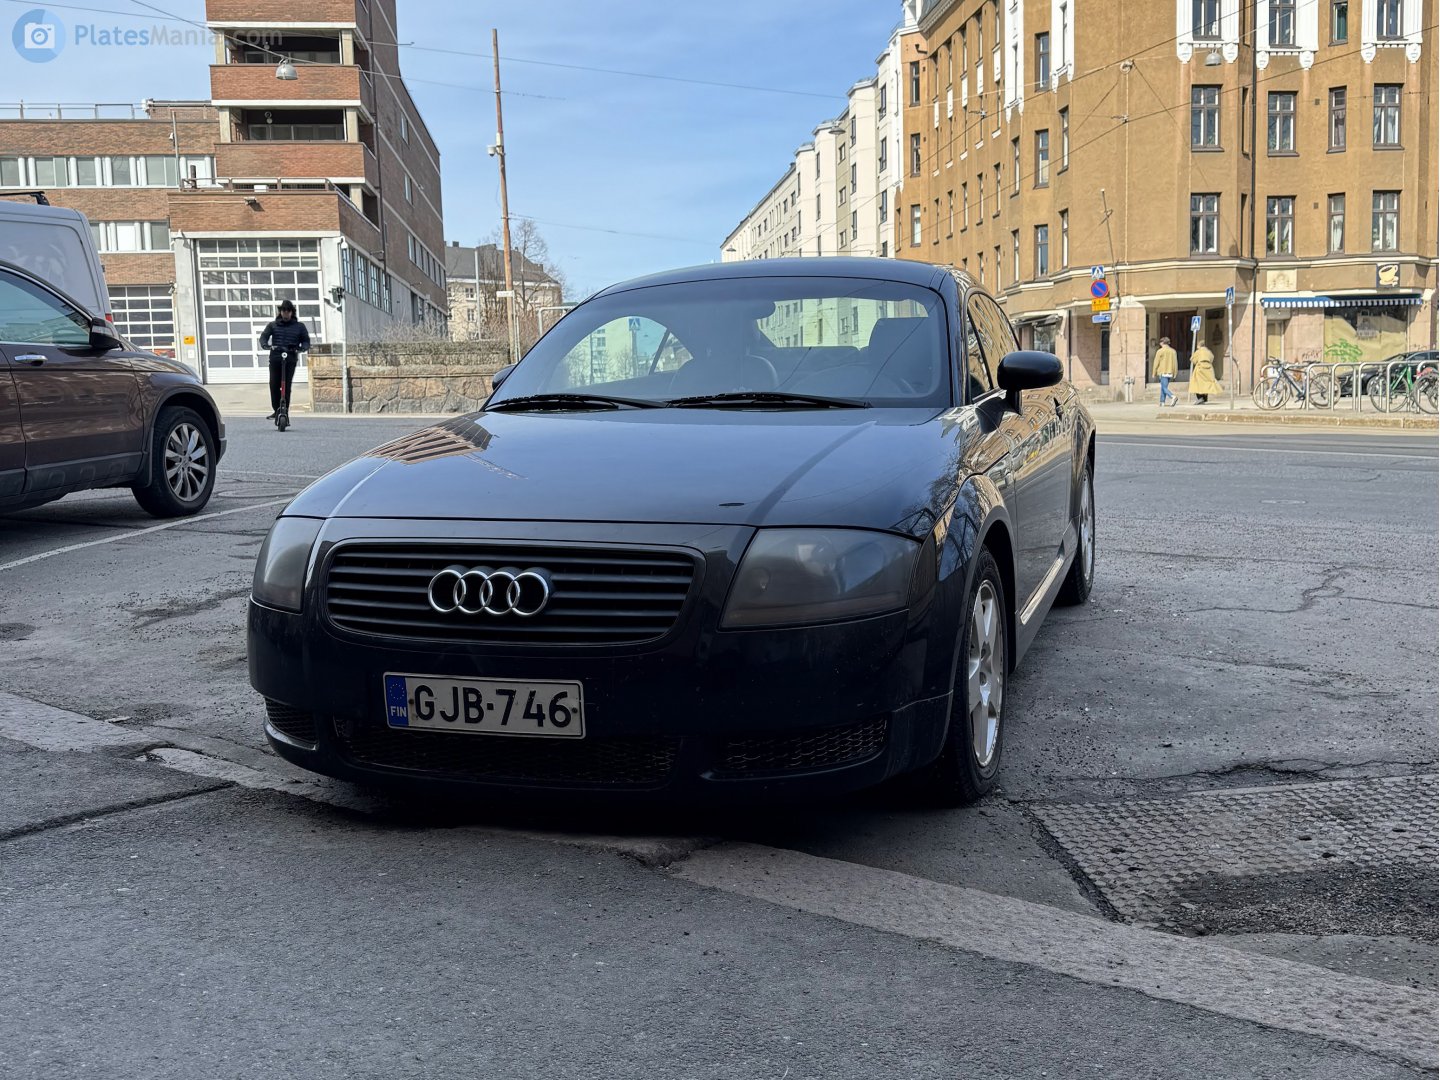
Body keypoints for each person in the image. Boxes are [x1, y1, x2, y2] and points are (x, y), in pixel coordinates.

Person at [259, 299, 311, 420]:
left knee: (286, 386)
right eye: (283, 311)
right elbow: (264, 337)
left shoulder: (299, 326)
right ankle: (276, 409)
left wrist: (302, 348)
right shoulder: (273, 325)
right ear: (280, 312)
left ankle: (284, 410)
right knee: (274, 385)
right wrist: (265, 345)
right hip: (276, 358)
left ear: (292, 312)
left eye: (288, 311)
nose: (286, 313)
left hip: (290, 359)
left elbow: (306, 340)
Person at [1189, 339, 1223, 404]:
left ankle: (1200, 398)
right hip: (1209, 369)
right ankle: (1205, 399)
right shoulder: (1208, 351)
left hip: (1200, 368)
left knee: (1197, 383)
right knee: (1207, 383)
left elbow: (1193, 359)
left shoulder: (1198, 351)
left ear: (1199, 346)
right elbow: (1212, 358)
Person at [1153, 336, 1178, 407]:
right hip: (1170, 372)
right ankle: (1162, 402)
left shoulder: (1160, 351)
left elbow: (1156, 363)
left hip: (1162, 371)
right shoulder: (1173, 351)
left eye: (1160, 342)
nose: (1160, 344)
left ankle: (1172, 396)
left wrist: (1154, 372)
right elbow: (1175, 363)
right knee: (1164, 387)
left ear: (1162, 343)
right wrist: (1175, 373)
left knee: (1164, 387)